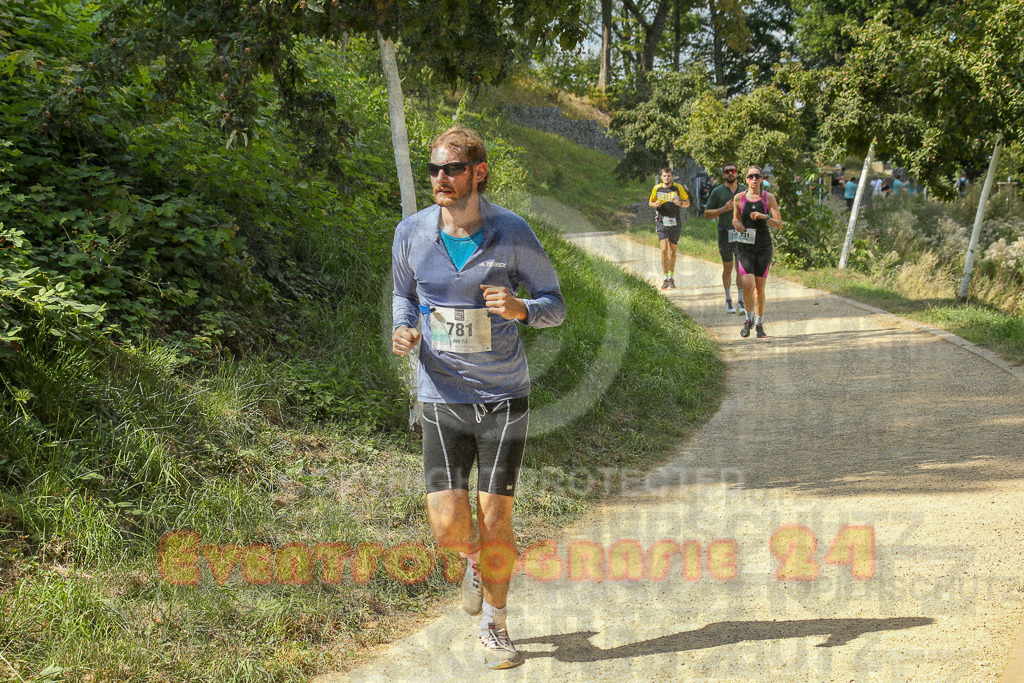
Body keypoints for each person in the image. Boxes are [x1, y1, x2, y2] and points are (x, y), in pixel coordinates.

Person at [391, 125, 566, 670]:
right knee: (447, 528)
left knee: (495, 520)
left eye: (452, 169)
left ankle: (495, 625)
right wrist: (404, 330)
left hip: (503, 396)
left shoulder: (511, 232)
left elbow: (555, 303)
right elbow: (404, 293)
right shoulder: (412, 233)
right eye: (435, 170)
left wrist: (520, 310)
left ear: (478, 173)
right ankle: (471, 562)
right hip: (441, 395)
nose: (441, 179)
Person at [731, 165, 782, 338]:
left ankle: (759, 324)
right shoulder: (739, 198)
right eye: (751, 176)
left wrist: (764, 216)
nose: (754, 179)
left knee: (759, 289)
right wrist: (736, 224)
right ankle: (748, 319)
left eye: (757, 176)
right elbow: (735, 219)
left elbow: (779, 224)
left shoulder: (769, 198)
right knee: (748, 284)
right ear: (746, 179)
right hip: (744, 247)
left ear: (762, 179)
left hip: (763, 247)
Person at [703, 162, 747, 313]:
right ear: (723, 175)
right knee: (728, 268)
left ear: (737, 173)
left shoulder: (744, 190)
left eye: (733, 171)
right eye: (727, 171)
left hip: (742, 234)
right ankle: (728, 299)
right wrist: (723, 209)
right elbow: (707, 214)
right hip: (725, 232)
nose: (730, 173)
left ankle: (741, 301)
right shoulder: (717, 191)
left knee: (740, 268)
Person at [648, 167, 690, 289]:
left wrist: (680, 203)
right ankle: (665, 277)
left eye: (669, 176)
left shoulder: (678, 188)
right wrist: (654, 204)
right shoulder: (657, 188)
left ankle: (671, 276)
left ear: (672, 177)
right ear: (661, 177)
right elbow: (650, 202)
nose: (667, 178)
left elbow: (687, 202)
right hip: (661, 221)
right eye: (664, 176)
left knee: (672, 250)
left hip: (675, 221)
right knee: (663, 249)